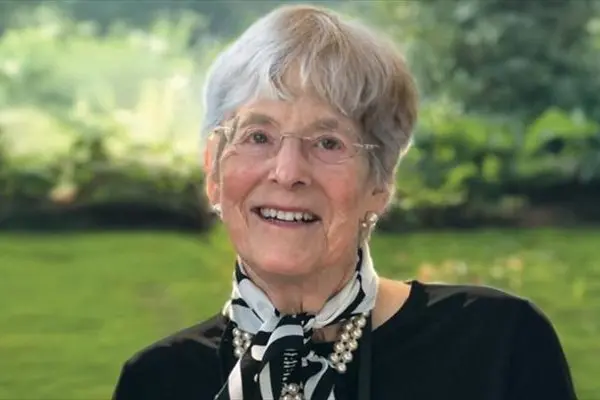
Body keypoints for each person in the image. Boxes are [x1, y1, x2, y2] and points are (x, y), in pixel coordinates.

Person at [112, 4, 577, 400]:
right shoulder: (157, 381)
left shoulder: (496, 343)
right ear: (213, 170)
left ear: (381, 182)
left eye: (328, 143)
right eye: (257, 136)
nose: (288, 172)